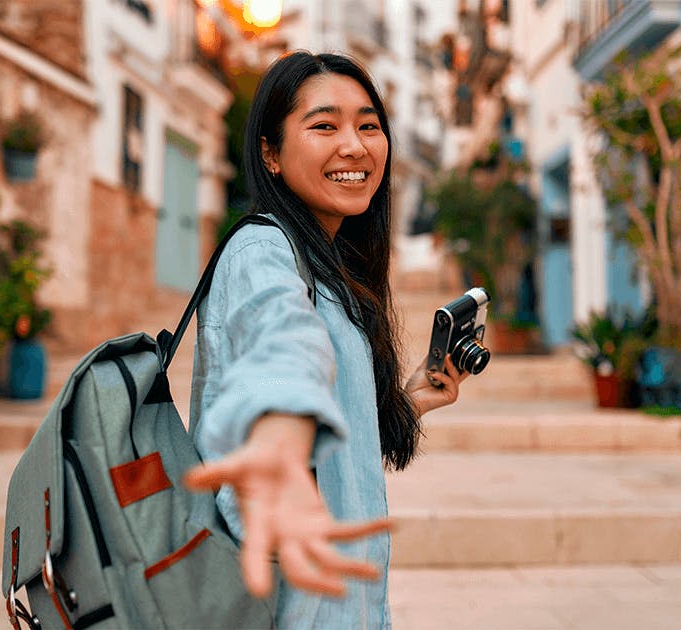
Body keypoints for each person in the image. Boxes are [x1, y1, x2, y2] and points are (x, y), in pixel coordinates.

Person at [183, 51, 470, 628]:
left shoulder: (332, 272)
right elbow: (282, 342)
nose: (355, 146)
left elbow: (337, 442)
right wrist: (280, 431)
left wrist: (402, 402)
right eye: (323, 126)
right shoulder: (261, 251)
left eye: (369, 125)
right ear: (270, 154)